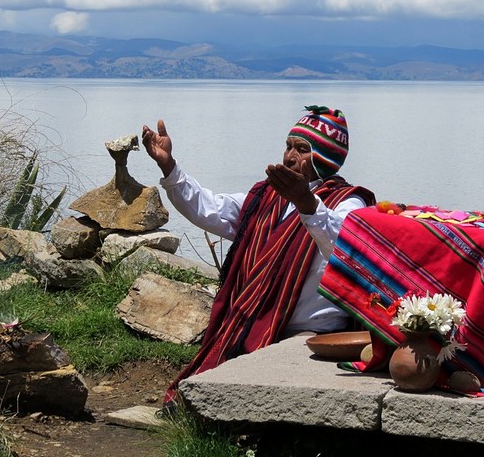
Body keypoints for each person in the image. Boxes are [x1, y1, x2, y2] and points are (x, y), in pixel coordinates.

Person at [142, 105, 376, 405]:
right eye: (288, 146)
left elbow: (342, 248)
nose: (290, 156)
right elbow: (211, 210)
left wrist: (307, 203)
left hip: (311, 334)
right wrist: (170, 168)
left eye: (302, 149)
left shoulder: (350, 203)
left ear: (326, 158)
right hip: (256, 322)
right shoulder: (267, 197)